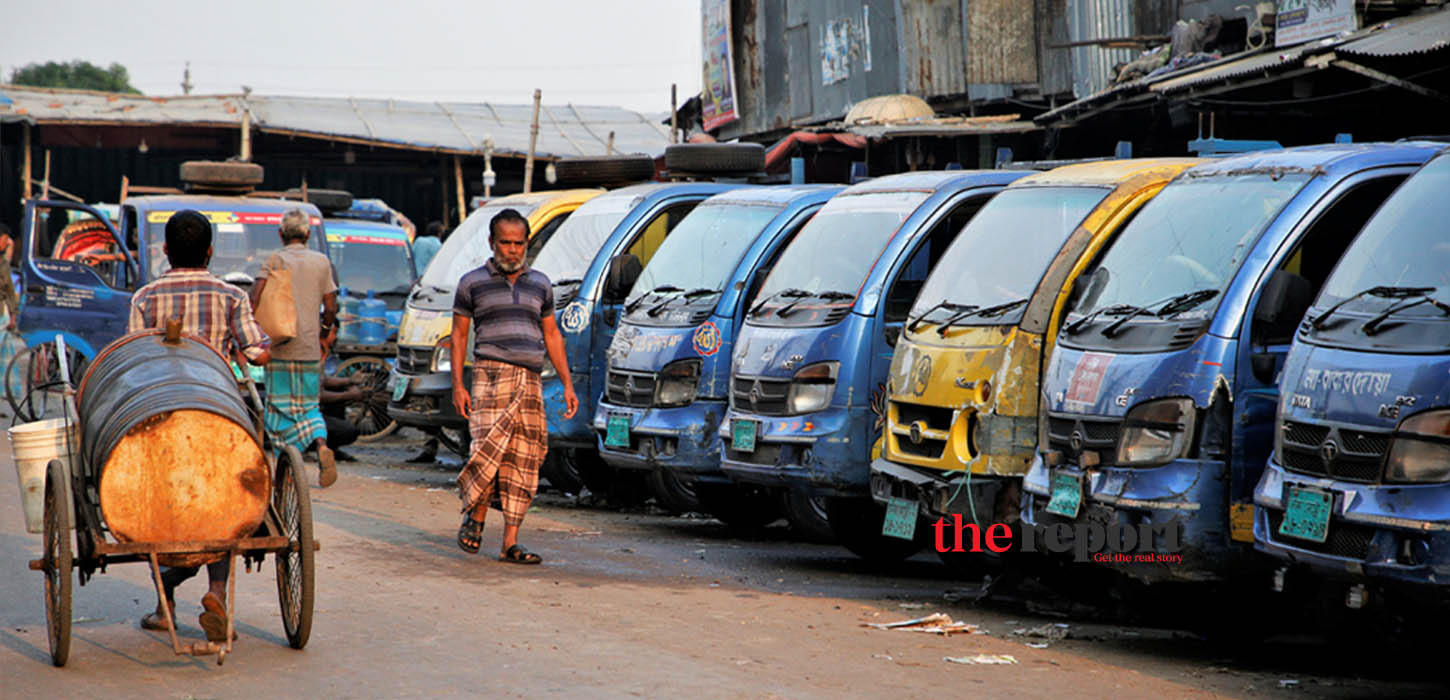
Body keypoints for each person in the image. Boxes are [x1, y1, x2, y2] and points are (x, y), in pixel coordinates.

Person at [127, 209, 271, 642]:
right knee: (224, 502)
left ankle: (164, 601)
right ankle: (217, 595)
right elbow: (256, 350)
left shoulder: (145, 298)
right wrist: (262, 351)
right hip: (218, 414)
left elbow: (131, 360)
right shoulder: (231, 296)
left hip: (159, 418)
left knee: (158, 505)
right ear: (211, 251)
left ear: (166, 251)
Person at [451, 208, 576, 563]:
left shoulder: (541, 284)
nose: (512, 250)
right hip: (489, 377)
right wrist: (457, 385)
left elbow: (552, 334)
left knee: (523, 458)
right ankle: (474, 515)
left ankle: (510, 543)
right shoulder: (471, 282)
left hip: (530, 380)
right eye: (505, 243)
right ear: (492, 243)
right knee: (488, 450)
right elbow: (459, 335)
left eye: (518, 243)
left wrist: (567, 384)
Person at [252, 208, 339, 488]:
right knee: (309, 406)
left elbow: (255, 298)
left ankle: (286, 469)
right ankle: (321, 443)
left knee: (279, 407)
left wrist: (253, 332)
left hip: (280, 345)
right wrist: (324, 334)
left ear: (281, 234)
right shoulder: (321, 261)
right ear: (308, 234)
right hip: (310, 347)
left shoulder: (275, 259)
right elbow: (331, 307)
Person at [0, 223, 18, 331]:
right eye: (5, 239)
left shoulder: (4, 263)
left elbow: (9, 290)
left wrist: (13, 314)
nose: (7, 244)